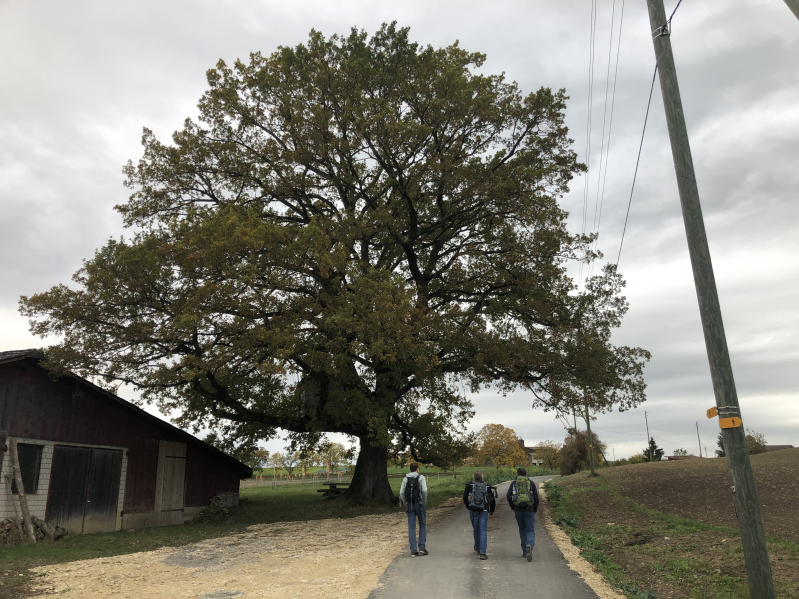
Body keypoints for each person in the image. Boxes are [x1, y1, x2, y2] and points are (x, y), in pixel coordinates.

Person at [507, 466, 539, 562]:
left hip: (518, 510)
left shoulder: (514, 483)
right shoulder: (531, 483)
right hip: (529, 509)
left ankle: (525, 551)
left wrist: (512, 506)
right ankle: (529, 544)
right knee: (530, 530)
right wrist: (535, 509)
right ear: (526, 474)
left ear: (517, 474)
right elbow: (536, 497)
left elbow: (508, 496)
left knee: (522, 529)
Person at [463, 471, 496, 560]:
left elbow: (465, 497)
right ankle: (483, 552)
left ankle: (477, 547)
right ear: (482, 477)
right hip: (484, 510)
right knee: (483, 530)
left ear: (474, 477)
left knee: (476, 529)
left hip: (473, 510)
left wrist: (468, 507)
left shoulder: (469, 485)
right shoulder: (486, 486)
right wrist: (491, 510)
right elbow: (492, 499)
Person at [399, 462, 428, 556]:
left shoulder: (405, 478)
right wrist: (424, 500)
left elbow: (401, 492)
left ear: (410, 469)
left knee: (411, 527)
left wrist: (405, 502)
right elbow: (424, 490)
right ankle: (422, 548)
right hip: (419, 504)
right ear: (417, 469)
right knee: (422, 524)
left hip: (410, 505)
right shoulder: (421, 477)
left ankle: (413, 550)